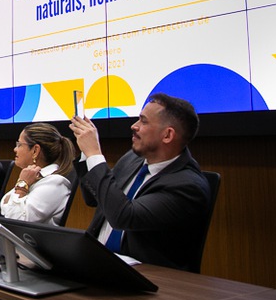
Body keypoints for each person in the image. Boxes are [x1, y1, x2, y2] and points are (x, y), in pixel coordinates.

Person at [69, 92, 210, 270]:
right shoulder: (133, 159)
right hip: (96, 261)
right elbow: (94, 198)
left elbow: (124, 217)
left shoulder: (188, 186)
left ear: (167, 135)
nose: (134, 126)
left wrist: (94, 154)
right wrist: (85, 152)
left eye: (143, 121)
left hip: (147, 277)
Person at [0, 123, 75, 225]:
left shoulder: (56, 183)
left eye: (20, 145)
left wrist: (22, 186)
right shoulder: (33, 176)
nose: (15, 149)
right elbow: (4, 204)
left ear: (35, 150)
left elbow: (16, 221)